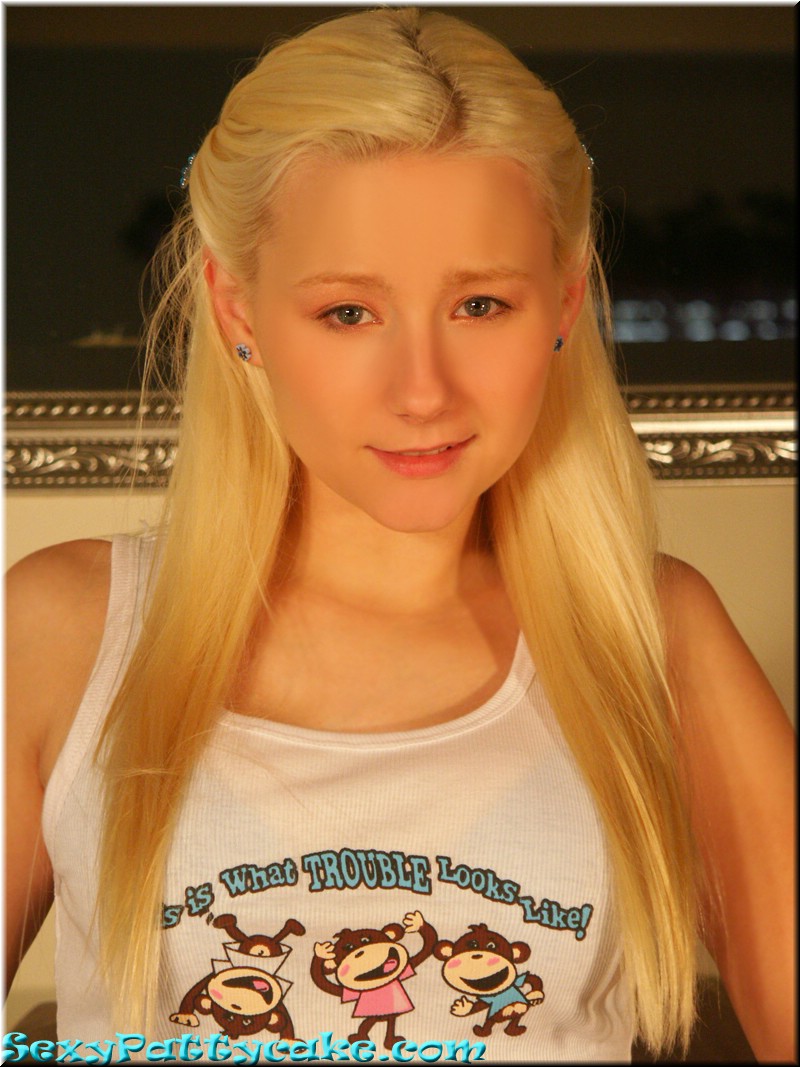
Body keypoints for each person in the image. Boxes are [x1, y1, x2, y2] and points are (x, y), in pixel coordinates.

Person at [5, 7, 794, 1062]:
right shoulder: (62, 632)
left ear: (563, 301)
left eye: (480, 305)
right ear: (236, 310)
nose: (422, 391)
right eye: (348, 312)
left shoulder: (654, 636)